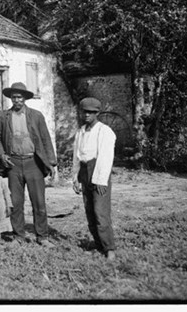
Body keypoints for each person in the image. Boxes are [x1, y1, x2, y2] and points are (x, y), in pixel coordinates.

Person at [0, 82, 57, 247]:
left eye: (20, 97)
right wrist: (1, 155)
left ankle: (42, 236)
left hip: (33, 163)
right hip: (13, 164)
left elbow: (45, 139)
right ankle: (18, 236)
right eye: (14, 97)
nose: (17, 100)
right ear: (10, 98)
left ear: (25, 98)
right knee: (16, 203)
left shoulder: (36, 116)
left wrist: (51, 163)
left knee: (39, 202)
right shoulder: (4, 117)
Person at [71, 97, 117, 261]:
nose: (87, 116)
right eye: (84, 112)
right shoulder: (80, 132)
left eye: (91, 113)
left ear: (97, 113)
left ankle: (109, 247)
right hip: (85, 171)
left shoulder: (104, 131)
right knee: (89, 210)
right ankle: (98, 244)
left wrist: (101, 180)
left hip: (98, 172)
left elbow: (105, 157)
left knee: (100, 212)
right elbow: (77, 156)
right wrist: (75, 177)